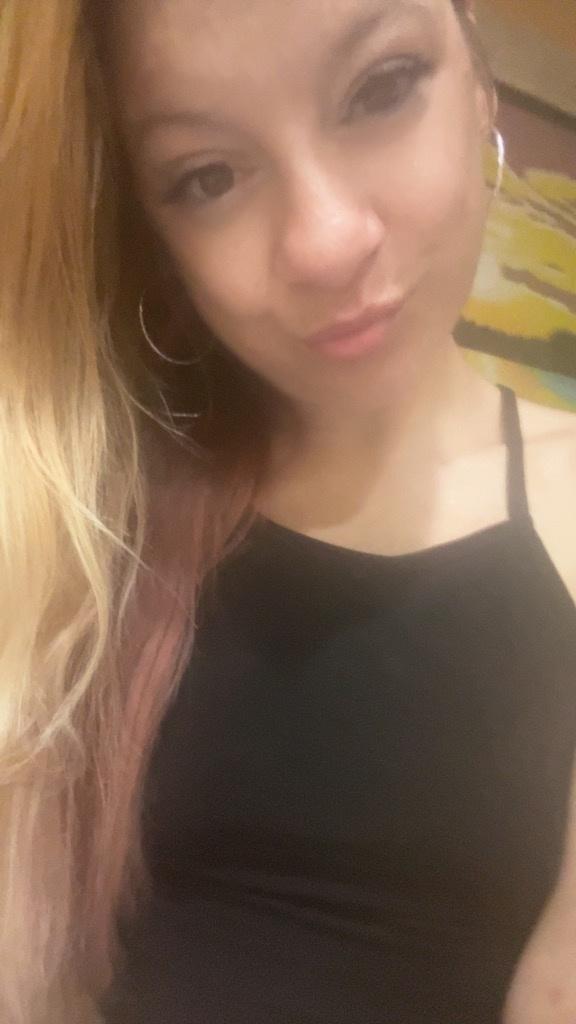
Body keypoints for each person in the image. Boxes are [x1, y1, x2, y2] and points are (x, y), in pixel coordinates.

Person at [1, 0, 575, 1021]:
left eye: (381, 88)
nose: (325, 243)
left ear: (480, 83)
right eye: (207, 177)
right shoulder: (80, 514)